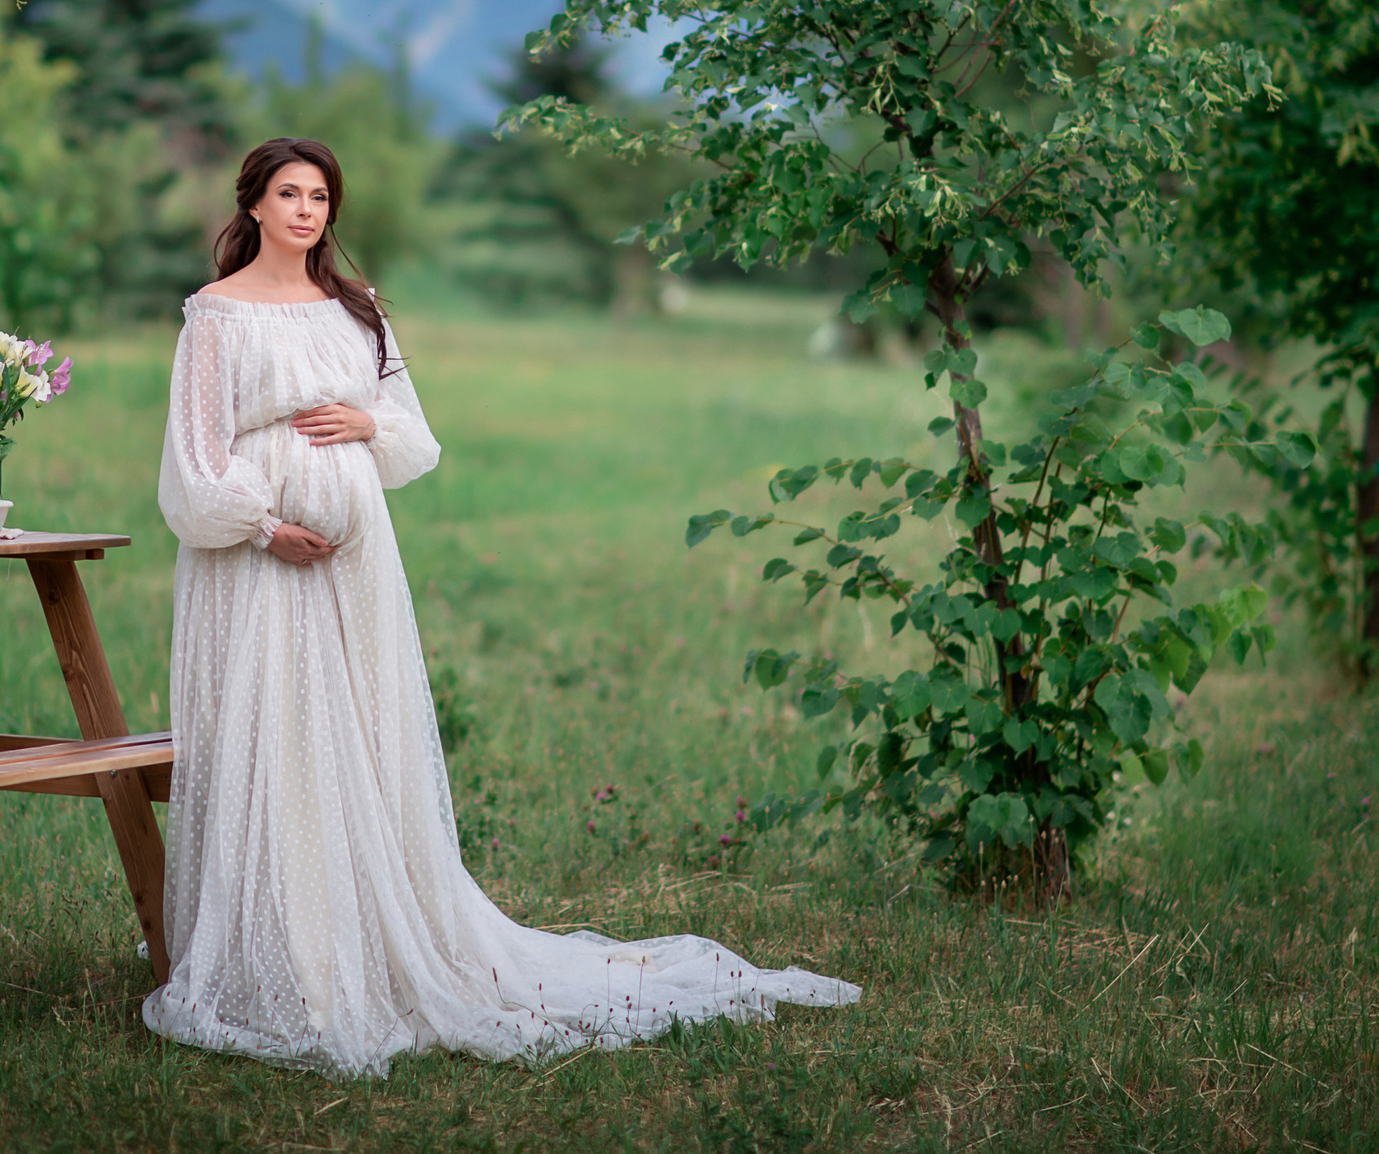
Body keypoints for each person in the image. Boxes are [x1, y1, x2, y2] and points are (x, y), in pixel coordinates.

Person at [145, 136, 859, 1076]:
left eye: (322, 195)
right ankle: (283, 957)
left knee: (358, 737)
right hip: (256, 562)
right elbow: (194, 460)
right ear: (254, 205)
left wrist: (363, 423)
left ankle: (372, 938)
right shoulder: (216, 317)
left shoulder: (357, 312)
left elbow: (412, 436)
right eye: (290, 193)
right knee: (279, 738)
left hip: (356, 572)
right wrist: (262, 524)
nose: (308, 210)